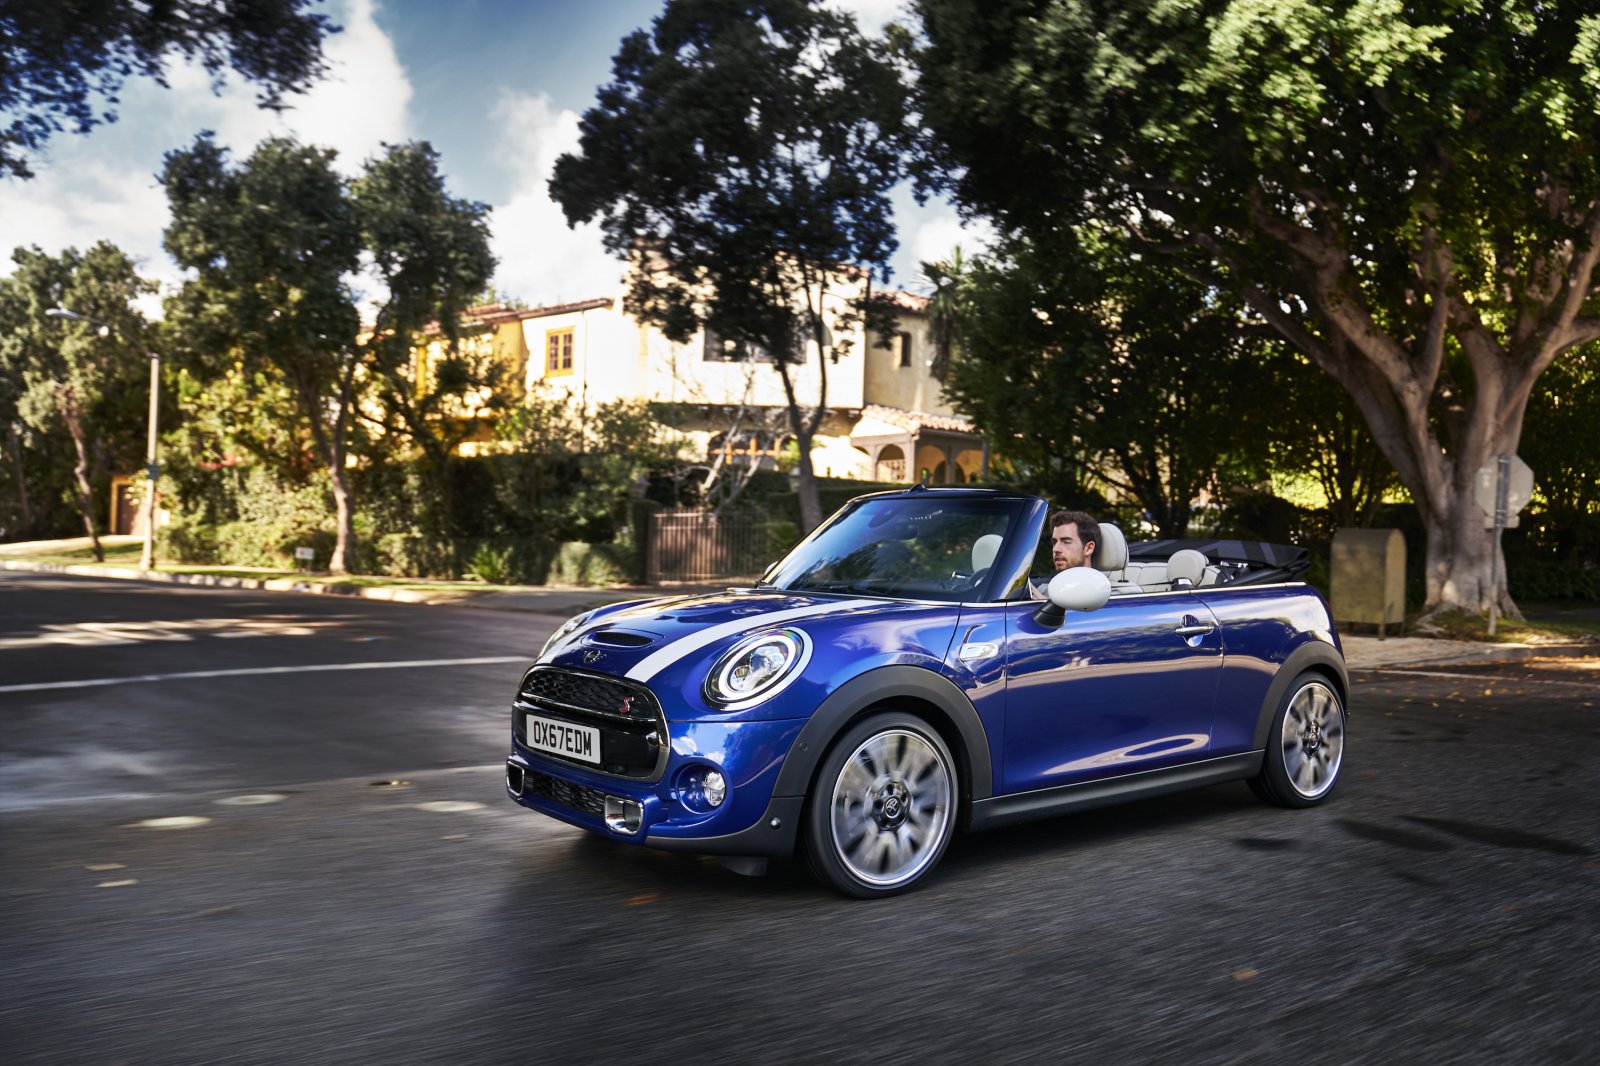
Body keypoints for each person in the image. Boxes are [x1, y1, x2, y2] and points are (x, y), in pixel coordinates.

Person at [1031, 509, 1100, 597]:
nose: (1056, 549)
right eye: (1054, 542)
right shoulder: (1043, 589)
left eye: (1066, 542)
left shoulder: (1104, 592)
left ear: (1088, 548)